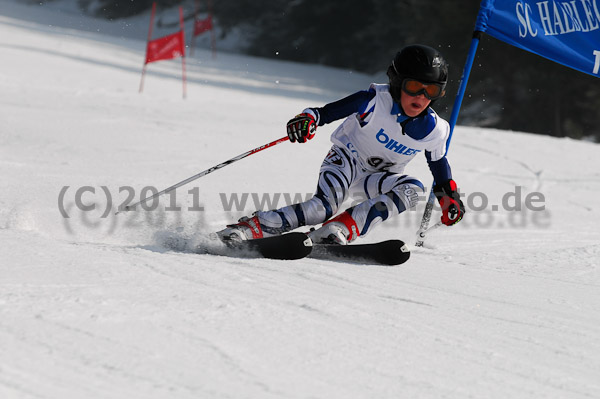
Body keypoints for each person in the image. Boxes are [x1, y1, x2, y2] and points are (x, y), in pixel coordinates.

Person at [217, 44, 465, 245]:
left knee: (413, 189)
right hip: (346, 160)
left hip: (377, 177)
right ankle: (250, 229)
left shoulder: (435, 129)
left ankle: (341, 229)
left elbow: (438, 165)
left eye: (431, 90)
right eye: (414, 87)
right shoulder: (373, 102)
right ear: (398, 82)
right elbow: (321, 113)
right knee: (322, 209)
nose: (421, 97)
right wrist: (307, 120)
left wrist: (449, 198)